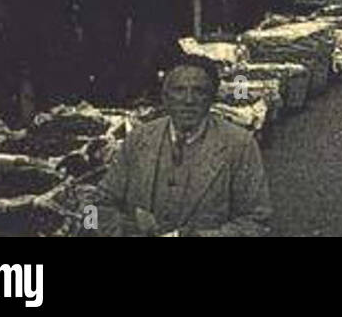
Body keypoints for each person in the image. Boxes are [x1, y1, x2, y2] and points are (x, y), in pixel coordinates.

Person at [94, 56, 272, 237]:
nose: (189, 100)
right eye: (179, 90)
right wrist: (124, 228)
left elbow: (257, 223)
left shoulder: (239, 145)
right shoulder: (138, 139)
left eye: (199, 91)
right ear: (165, 97)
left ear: (212, 98)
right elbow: (96, 205)